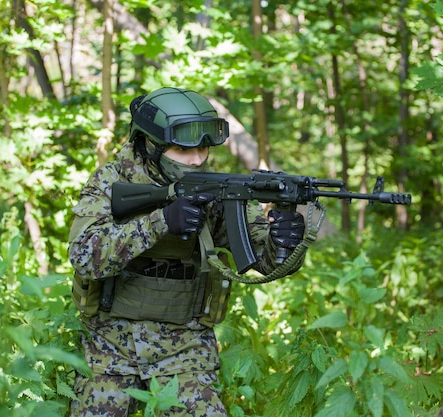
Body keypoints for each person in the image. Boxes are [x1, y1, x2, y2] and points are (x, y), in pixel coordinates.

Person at [68, 87, 307, 417]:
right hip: (110, 343)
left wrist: (282, 240)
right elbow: (83, 255)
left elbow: (263, 260)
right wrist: (161, 221)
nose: (196, 160)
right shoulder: (112, 180)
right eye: (182, 149)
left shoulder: (217, 189)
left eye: (203, 149)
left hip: (185, 345)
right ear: (149, 145)